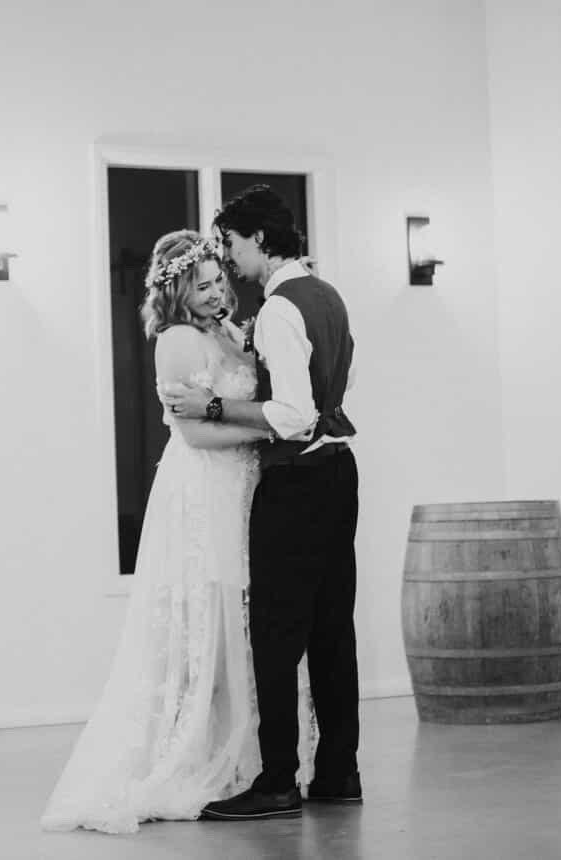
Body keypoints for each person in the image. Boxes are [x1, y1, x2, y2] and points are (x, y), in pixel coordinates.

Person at [40, 230, 315, 834]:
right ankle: (196, 751)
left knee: (246, 619)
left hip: (244, 486)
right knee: (209, 615)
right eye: (204, 285)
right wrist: (274, 430)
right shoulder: (177, 341)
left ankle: (256, 754)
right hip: (206, 489)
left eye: (221, 281)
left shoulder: (224, 333)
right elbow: (195, 433)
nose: (219, 293)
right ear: (177, 291)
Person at [162, 185, 362, 821]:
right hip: (339, 473)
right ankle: (338, 772)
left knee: (275, 635)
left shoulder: (279, 307)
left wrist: (216, 406)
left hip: (297, 482)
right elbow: (338, 381)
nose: (230, 257)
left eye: (232, 243)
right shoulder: (326, 295)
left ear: (260, 240)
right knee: (333, 630)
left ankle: (277, 780)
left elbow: (293, 415)